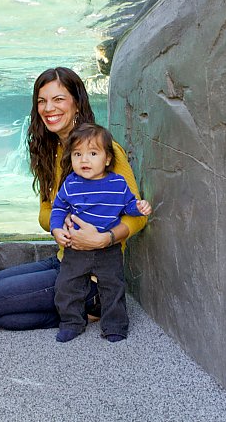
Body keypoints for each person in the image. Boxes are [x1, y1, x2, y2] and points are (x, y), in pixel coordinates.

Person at [0, 67, 148, 331]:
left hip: (92, 273)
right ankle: (75, 306)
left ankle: (87, 305)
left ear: (77, 103)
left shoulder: (104, 152)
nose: (48, 108)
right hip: (65, 257)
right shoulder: (49, 150)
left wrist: (104, 238)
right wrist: (58, 222)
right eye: (42, 101)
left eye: (58, 99)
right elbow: (45, 211)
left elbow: (138, 216)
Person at [50, 123, 152, 343]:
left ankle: (115, 325)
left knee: (113, 287)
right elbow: (59, 208)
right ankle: (72, 322)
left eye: (93, 153)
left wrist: (140, 207)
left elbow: (129, 207)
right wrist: (57, 229)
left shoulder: (117, 183)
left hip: (109, 250)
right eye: (78, 154)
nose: (84, 160)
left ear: (107, 159)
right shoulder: (70, 184)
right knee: (67, 286)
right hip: (76, 250)